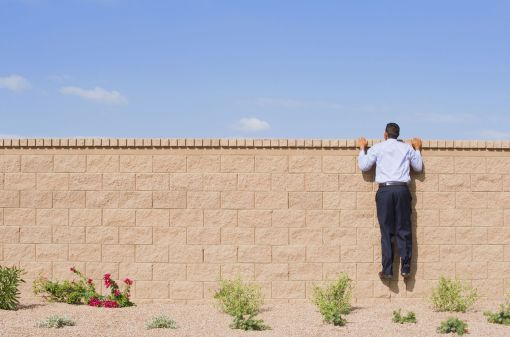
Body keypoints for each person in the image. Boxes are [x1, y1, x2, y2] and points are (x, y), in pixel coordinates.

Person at [357, 122, 423, 280]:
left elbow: (364, 166)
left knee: (386, 231)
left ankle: (387, 270)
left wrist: (362, 149)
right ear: (397, 135)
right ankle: (406, 268)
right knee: (404, 229)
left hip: (385, 191)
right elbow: (418, 167)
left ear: (385, 134)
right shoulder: (407, 148)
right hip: (401, 190)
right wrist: (417, 149)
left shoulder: (378, 148)